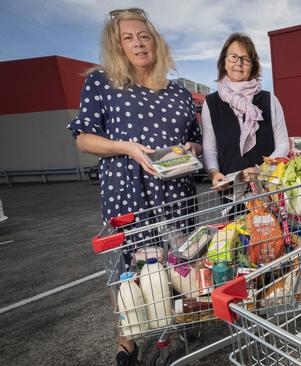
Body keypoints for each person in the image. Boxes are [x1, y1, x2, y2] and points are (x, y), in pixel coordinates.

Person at [67, 8, 201, 366]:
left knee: (177, 263)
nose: (138, 43)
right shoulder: (102, 83)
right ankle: (128, 339)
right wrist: (125, 147)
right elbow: (83, 139)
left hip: (176, 193)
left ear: (155, 41)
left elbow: (195, 140)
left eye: (143, 35)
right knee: (128, 270)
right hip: (128, 191)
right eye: (128, 38)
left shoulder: (180, 94)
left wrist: (191, 149)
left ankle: (180, 320)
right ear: (118, 46)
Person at [201, 33, 289, 186]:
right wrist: (214, 173)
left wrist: (263, 170)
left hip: (268, 191)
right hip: (230, 195)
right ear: (224, 62)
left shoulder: (269, 100)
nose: (239, 63)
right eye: (233, 56)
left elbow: (283, 144)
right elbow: (210, 150)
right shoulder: (211, 103)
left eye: (246, 59)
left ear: (253, 65)